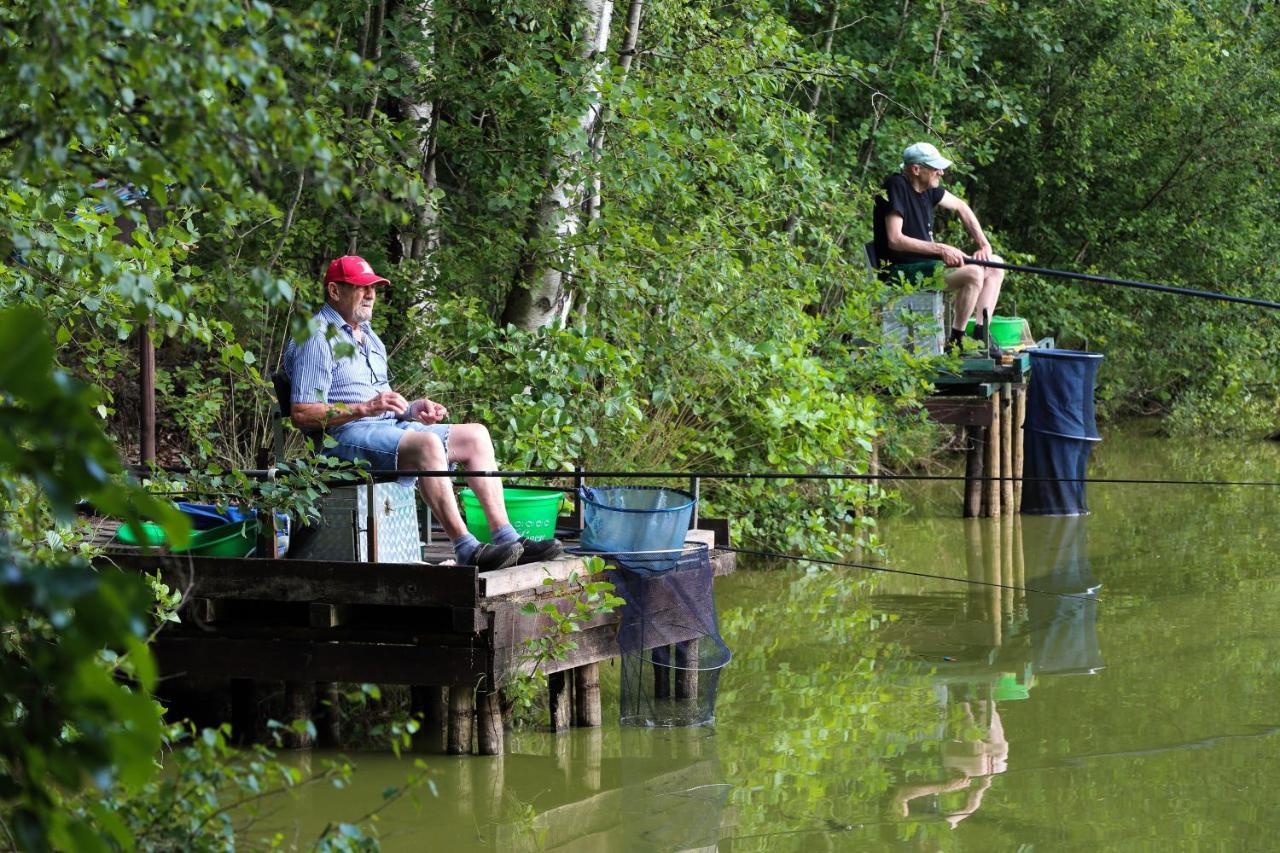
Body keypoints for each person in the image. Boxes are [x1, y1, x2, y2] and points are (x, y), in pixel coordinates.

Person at [283, 255, 563, 571]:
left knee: (476, 436)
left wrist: (412, 410)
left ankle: (507, 537)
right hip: (342, 440)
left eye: (374, 288)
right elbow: (303, 413)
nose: (371, 294)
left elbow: (383, 405)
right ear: (334, 291)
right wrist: (367, 407)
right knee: (427, 445)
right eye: (362, 288)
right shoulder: (316, 336)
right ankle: (467, 548)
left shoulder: (370, 336)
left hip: (382, 429)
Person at [872, 141, 1007, 356]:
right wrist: (941, 249)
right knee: (973, 273)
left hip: (926, 268)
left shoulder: (928, 189)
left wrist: (984, 244)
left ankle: (981, 334)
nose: (941, 172)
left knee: (996, 264)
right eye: (935, 168)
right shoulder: (895, 185)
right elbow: (895, 239)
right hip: (902, 273)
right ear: (916, 170)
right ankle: (957, 340)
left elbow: (962, 207)